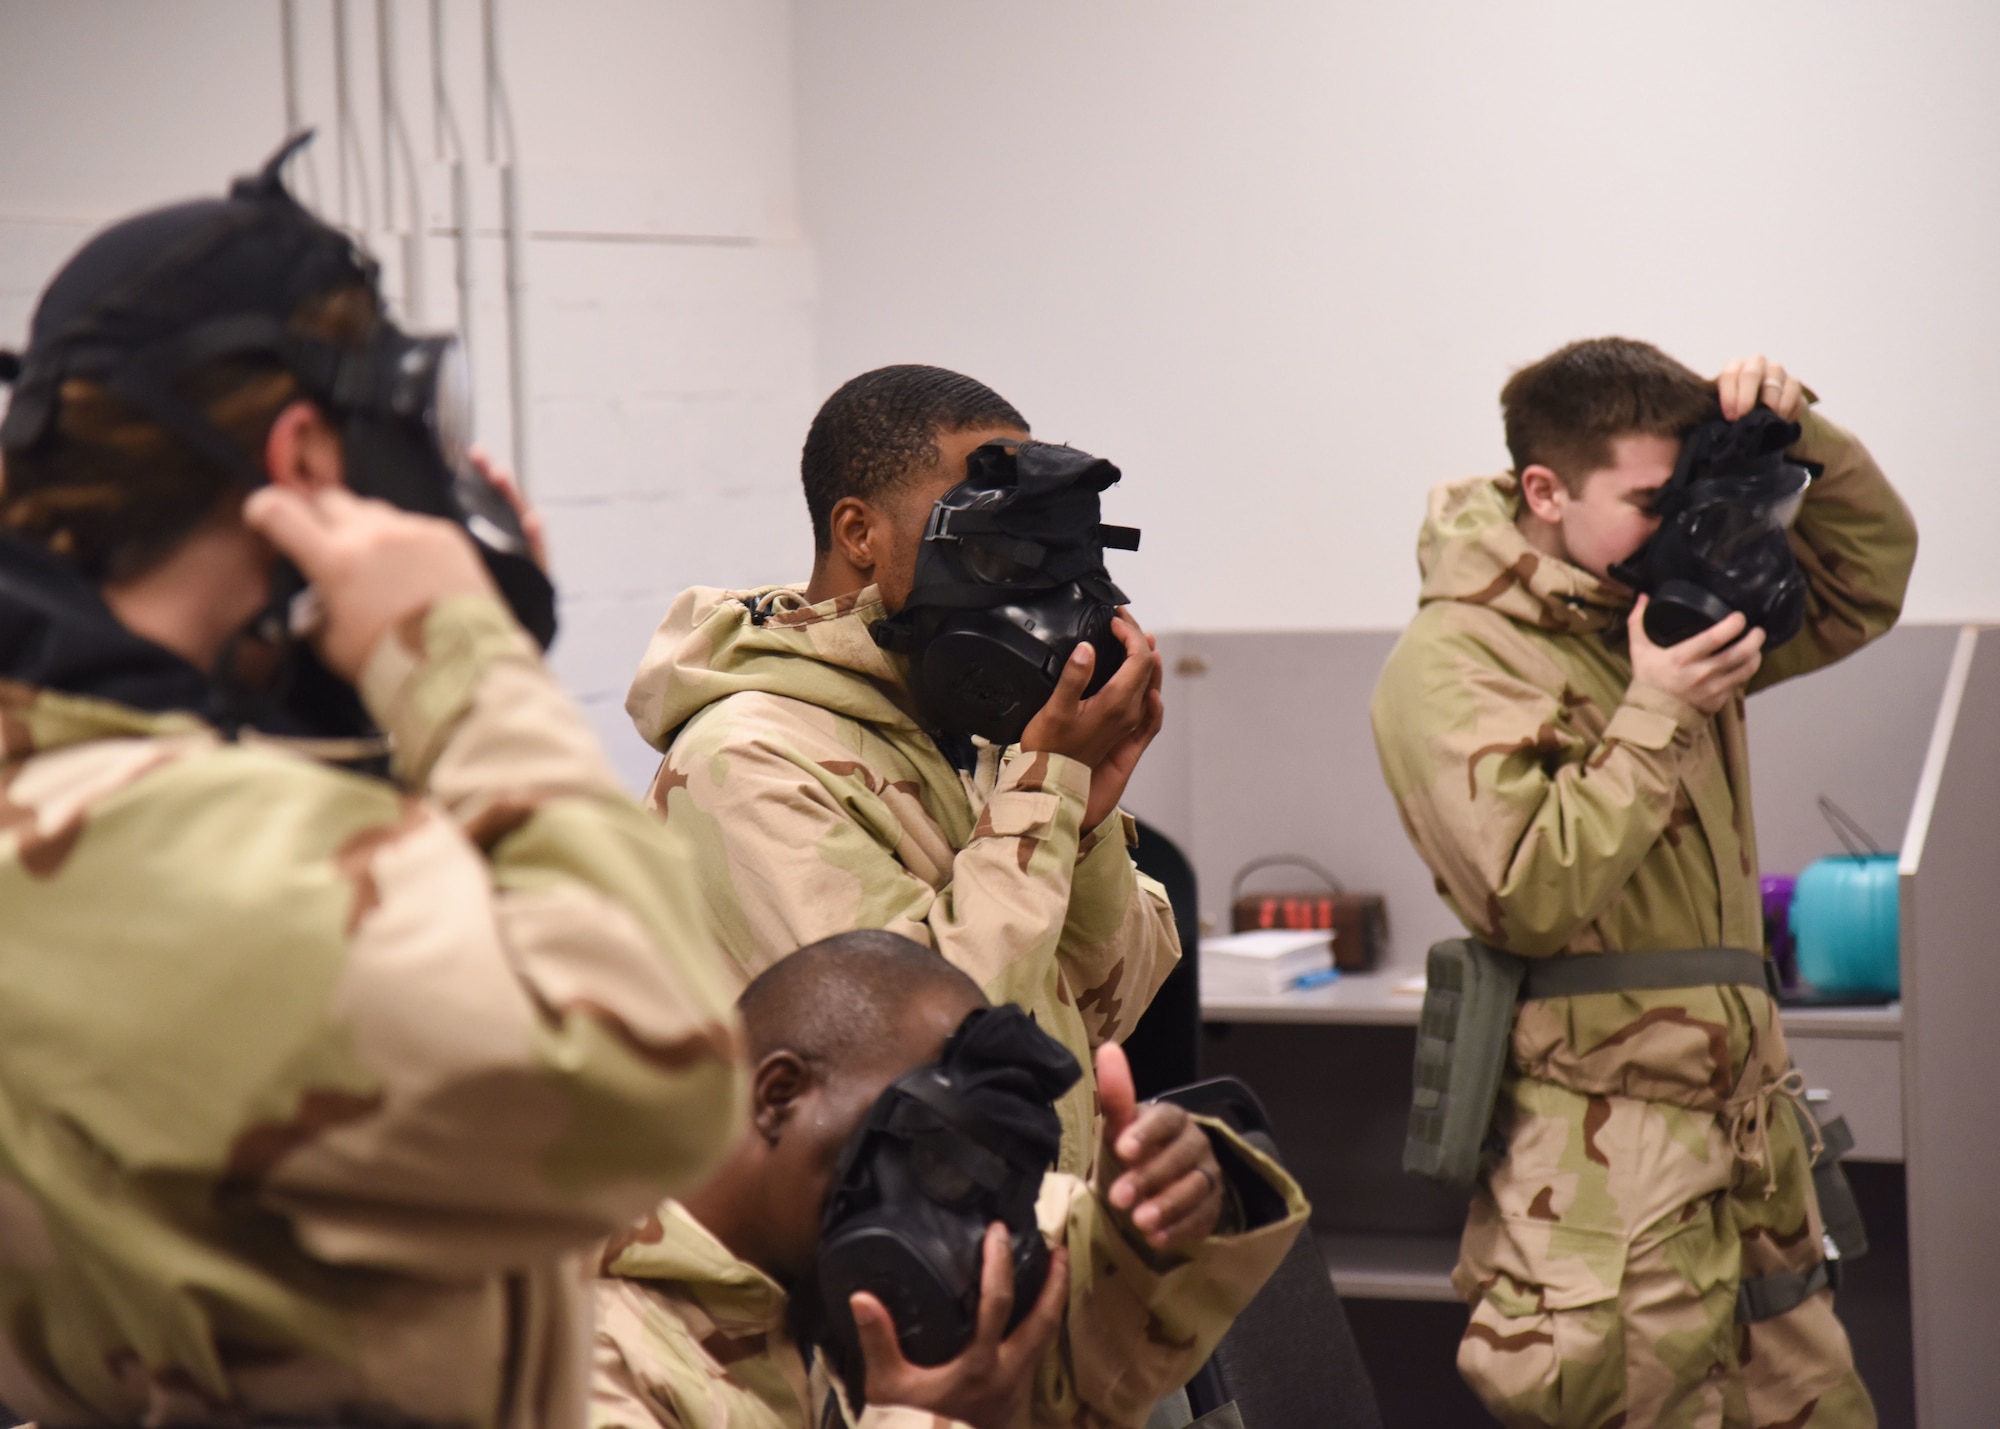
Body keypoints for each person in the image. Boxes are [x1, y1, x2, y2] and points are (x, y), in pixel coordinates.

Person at [0, 143, 745, 1428]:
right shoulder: (141, 841)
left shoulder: (104, 787)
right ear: (300, 454)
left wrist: (378, 692)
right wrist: (465, 663)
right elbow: (658, 1073)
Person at [1372, 337, 1917, 1428]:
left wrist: (1794, 430)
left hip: (1748, 1157)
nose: (1675, 528)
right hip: (1605, 1185)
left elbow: (1864, 580)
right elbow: (1524, 891)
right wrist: (1658, 705)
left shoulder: (1665, 607)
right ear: (1543, 489)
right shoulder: (1454, 659)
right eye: (1647, 499)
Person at [624, 365, 1178, 1177]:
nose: (1026, 581)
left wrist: (1080, 820)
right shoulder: (746, 762)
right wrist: (1042, 792)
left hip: (1008, 1242)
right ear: (859, 533)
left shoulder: (971, 729)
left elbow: (1103, 1013)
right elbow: (929, 1059)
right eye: (992, 544)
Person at [592, 930, 1307, 1429]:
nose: (938, 1226)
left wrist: (1161, 1214)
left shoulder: (811, 1269)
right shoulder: (569, 1350)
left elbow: (1071, 1368)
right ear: (778, 1094)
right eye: (926, 1151)